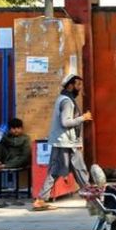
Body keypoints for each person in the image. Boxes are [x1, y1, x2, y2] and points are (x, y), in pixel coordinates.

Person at [32, 73, 92, 211]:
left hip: (64, 142)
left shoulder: (63, 98)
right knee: (78, 170)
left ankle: (41, 199)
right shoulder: (67, 101)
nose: (80, 87)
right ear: (70, 86)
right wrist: (83, 118)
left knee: (64, 171)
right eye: (78, 84)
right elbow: (65, 122)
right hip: (66, 143)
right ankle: (92, 199)